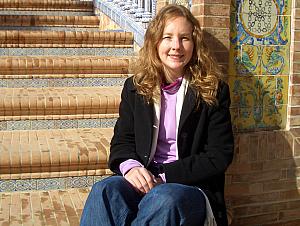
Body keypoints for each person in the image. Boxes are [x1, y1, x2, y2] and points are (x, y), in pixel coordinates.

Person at [80, 4, 234, 226]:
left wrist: (164, 177)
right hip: (143, 179)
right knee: (104, 190)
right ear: (155, 42)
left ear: (195, 44)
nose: (176, 46)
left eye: (184, 38)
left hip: (189, 187)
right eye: (167, 37)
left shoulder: (213, 91)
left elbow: (219, 155)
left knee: (163, 199)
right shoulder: (135, 88)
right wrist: (131, 168)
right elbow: (122, 141)